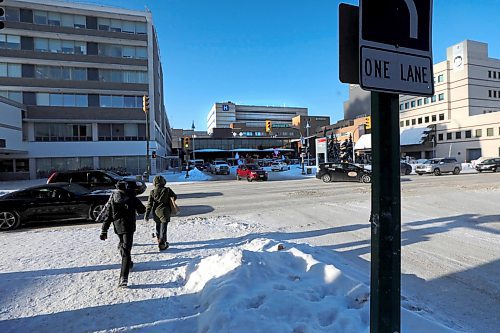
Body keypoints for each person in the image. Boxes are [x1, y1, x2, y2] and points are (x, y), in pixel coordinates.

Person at [97, 181, 146, 288]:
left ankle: (128, 263)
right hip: (129, 227)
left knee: (124, 247)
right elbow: (142, 210)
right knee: (126, 251)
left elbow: (108, 216)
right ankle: (123, 277)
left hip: (118, 228)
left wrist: (104, 230)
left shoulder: (113, 199)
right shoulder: (132, 197)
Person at [145, 175, 177, 251]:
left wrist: (146, 215)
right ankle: (162, 244)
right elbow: (175, 197)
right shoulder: (167, 190)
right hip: (165, 211)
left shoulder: (152, 192)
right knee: (164, 228)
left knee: (158, 226)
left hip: (156, 212)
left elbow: (149, 204)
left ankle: (159, 240)